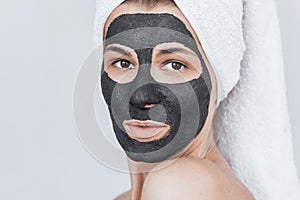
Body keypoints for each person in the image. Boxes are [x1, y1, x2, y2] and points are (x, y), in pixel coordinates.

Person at [100, 0, 255, 199]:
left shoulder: (179, 184)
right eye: (123, 63)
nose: (140, 97)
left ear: (220, 75)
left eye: (175, 65)